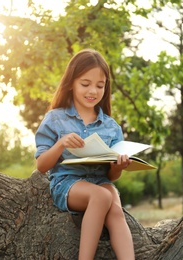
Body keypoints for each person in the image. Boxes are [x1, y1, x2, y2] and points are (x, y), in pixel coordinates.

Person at [34, 49, 135, 260]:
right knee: (102, 195)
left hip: (100, 181)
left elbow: (111, 176)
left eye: (100, 85)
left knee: (115, 208)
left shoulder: (111, 126)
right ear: (71, 83)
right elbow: (42, 166)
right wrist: (61, 143)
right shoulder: (55, 119)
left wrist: (118, 166)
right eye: (85, 84)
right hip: (68, 183)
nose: (93, 91)